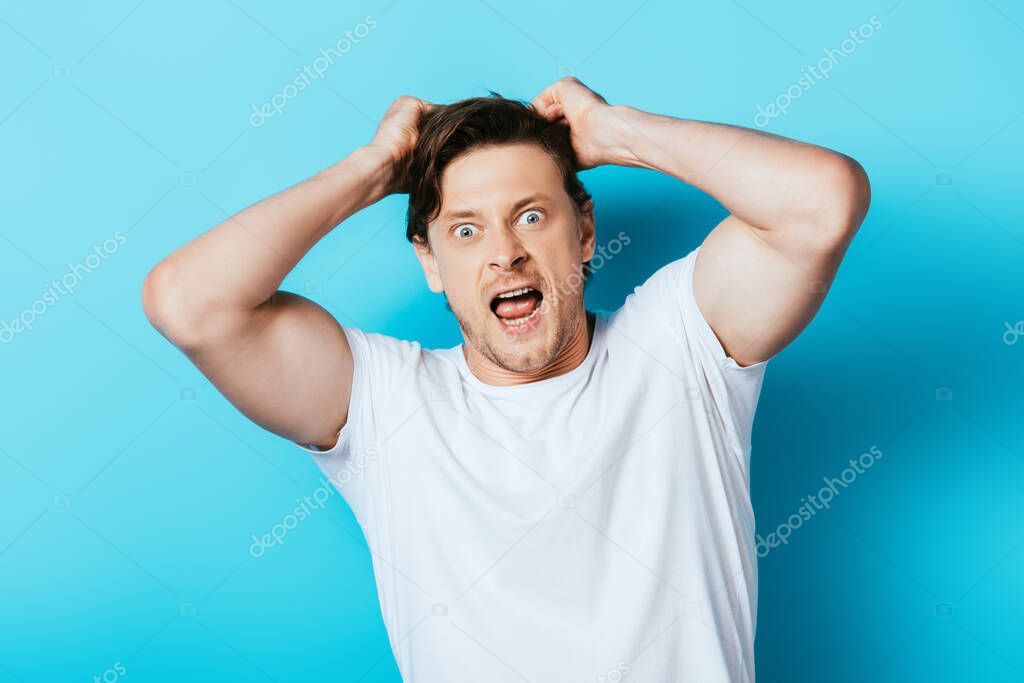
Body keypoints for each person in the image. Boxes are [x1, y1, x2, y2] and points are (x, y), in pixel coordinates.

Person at [142, 77, 869, 682]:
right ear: (429, 262)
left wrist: (616, 133)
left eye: (529, 215)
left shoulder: (678, 347)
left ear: (584, 231)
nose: (505, 254)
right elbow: (189, 303)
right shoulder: (385, 404)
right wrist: (373, 168)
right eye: (465, 229)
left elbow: (823, 201)